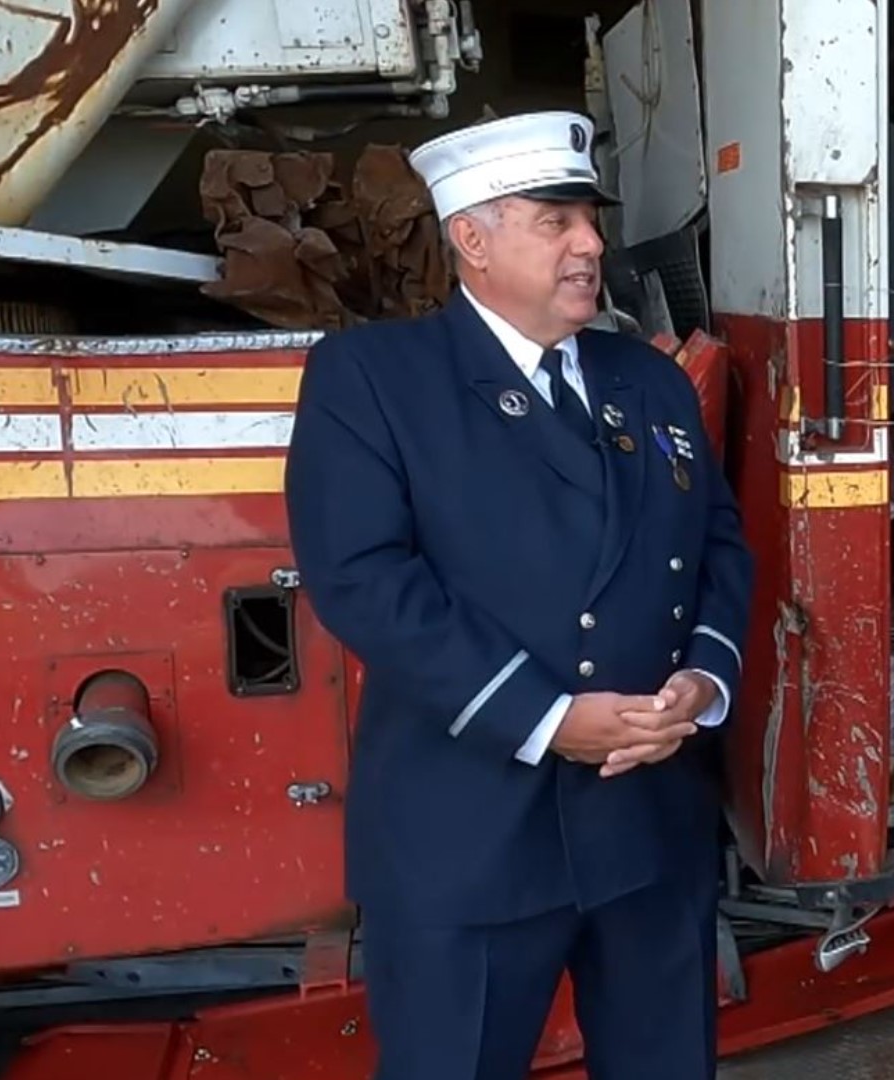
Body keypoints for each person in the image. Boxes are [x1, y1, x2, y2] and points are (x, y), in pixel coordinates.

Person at [283, 110, 754, 1080]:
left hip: (649, 824)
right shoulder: (373, 379)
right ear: (472, 237)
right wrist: (547, 719)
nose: (589, 243)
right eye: (554, 220)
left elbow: (716, 546)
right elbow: (364, 580)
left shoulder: (648, 381)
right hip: (471, 830)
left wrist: (705, 684)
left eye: (589, 218)